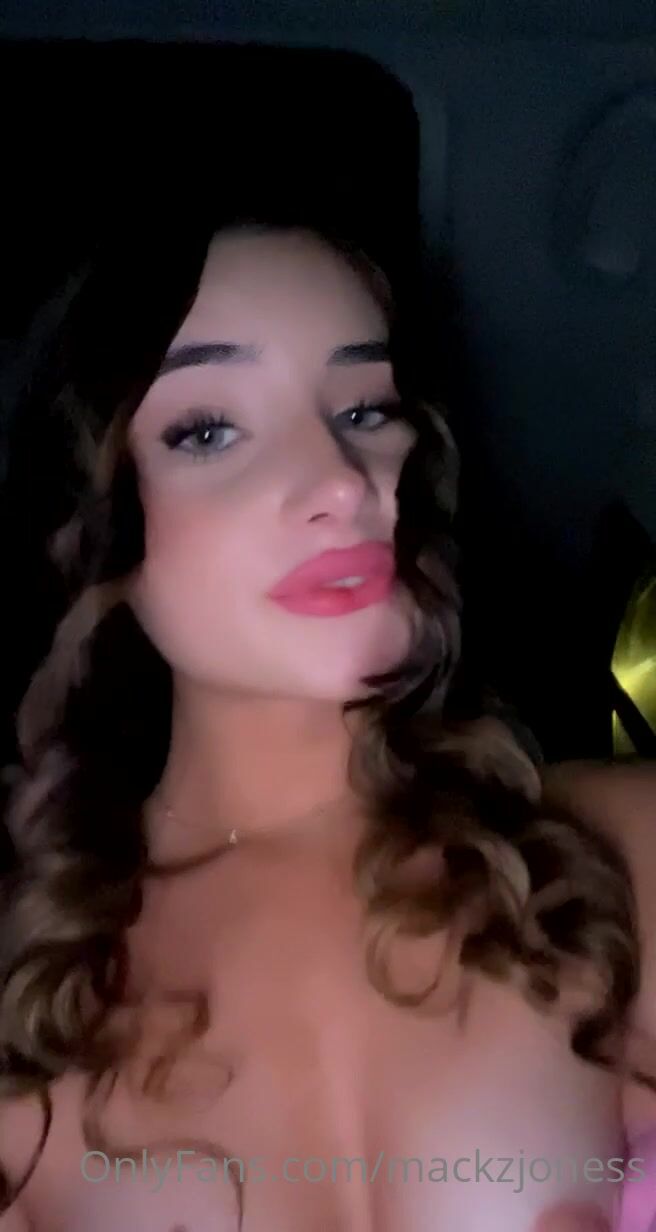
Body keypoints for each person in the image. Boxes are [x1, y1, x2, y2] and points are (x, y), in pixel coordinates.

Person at [0, 212, 655, 1232]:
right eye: (208, 430)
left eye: (364, 408)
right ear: (95, 513)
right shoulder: (26, 998)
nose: (344, 482)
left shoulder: (612, 857)